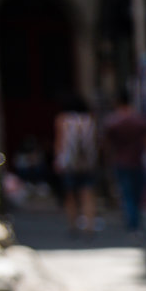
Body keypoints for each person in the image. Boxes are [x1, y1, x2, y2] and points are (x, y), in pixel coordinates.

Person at [102, 88, 146, 235]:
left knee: (127, 193)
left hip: (121, 161)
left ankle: (133, 223)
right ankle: (135, 222)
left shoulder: (113, 121)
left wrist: (106, 159)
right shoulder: (139, 120)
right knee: (136, 194)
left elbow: (106, 144)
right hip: (137, 161)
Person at [54, 93, 101, 234]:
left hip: (69, 162)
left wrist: (57, 159)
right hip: (88, 162)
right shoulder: (90, 119)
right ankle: (89, 225)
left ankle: (73, 225)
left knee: (70, 195)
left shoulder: (62, 120)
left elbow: (60, 142)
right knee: (87, 194)